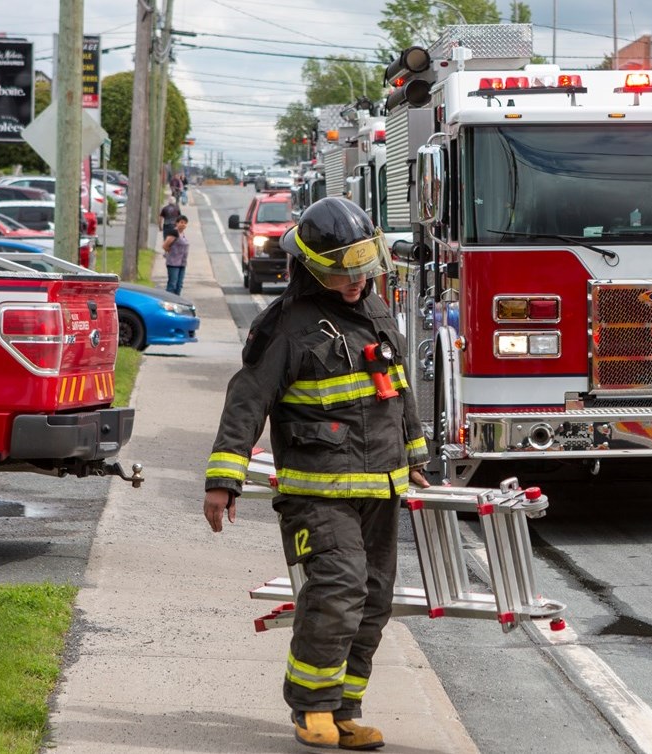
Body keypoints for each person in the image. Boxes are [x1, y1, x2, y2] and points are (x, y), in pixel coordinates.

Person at [202, 197, 430, 751]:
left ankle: (346, 711)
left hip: (380, 487)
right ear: (309, 266)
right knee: (337, 590)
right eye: (341, 273)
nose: (355, 282)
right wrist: (224, 479)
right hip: (318, 491)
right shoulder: (285, 326)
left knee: (373, 600)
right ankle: (312, 708)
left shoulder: (375, 311)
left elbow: (397, 387)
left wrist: (415, 455)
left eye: (362, 270)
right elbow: (246, 401)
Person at [162, 216, 189, 295]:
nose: (183, 224)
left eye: (185, 223)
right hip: (173, 263)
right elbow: (165, 246)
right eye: (181, 222)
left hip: (182, 263)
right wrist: (172, 253)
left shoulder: (182, 234)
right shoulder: (174, 233)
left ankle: (177, 300)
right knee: (172, 285)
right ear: (177, 223)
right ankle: (168, 300)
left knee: (179, 285)